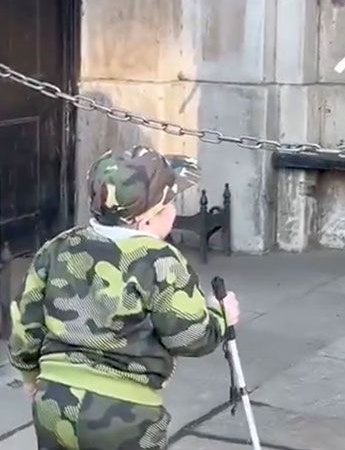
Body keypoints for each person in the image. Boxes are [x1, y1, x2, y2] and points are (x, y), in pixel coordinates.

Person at [8, 146, 240, 450]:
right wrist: (220, 317)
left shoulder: (57, 247)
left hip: (55, 400)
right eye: (170, 202)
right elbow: (188, 336)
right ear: (145, 220)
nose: (174, 209)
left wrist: (29, 374)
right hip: (127, 413)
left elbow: (25, 321)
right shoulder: (160, 260)